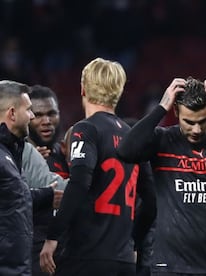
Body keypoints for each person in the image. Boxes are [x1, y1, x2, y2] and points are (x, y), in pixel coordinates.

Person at [39, 57, 156, 276]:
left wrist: (53, 236)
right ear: (119, 92)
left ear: (83, 89)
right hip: (124, 261)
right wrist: (134, 242)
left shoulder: (86, 129)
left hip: (85, 257)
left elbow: (80, 182)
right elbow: (150, 201)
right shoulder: (133, 136)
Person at [117, 76, 206, 275]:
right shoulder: (163, 139)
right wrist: (161, 107)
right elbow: (125, 150)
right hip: (170, 266)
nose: (196, 130)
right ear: (176, 112)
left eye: (202, 121)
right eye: (189, 122)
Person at [0, 80, 56, 275]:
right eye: (30, 110)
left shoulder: (11, 151)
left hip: (17, 266)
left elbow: (14, 198)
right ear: (12, 113)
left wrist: (48, 194)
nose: (32, 116)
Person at [25, 84, 69, 276]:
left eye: (52, 114)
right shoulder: (14, 159)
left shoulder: (70, 156)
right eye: (38, 115)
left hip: (70, 252)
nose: (46, 121)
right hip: (34, 255)